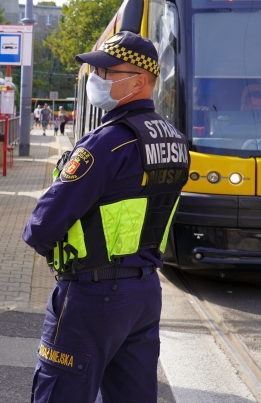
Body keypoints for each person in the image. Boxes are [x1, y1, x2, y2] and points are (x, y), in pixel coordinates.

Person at [23, 31, 190, 403]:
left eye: (108, 72)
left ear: (140, 81)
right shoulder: (176, 141)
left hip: (92, 293)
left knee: (59, 394)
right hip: (144, 292)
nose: (95, 80)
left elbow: (42, 226)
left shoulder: (107, 142)